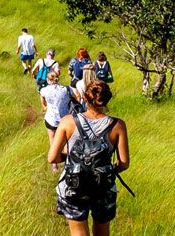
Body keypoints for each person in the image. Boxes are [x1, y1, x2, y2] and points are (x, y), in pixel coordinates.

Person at [47, 81, 130, 236]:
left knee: (78, 232)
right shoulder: (118, 125)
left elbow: (52, 158)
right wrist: (107, 170)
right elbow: (124, 163)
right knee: (102, 232)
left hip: (73, 187)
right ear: (107, 99)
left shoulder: (67, 122)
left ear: (85, 97)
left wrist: (68, 157)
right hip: (103, 187)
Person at [39, 70, 77, 171]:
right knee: (67, 142)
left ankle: (54, 165)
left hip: (51, 119)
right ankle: (68, 164)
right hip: (65, 119)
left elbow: (43, 102)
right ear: (57, 78)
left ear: (48, 80)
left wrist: (46, 107)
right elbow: (77, 97)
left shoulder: (44, 90)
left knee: (52, 141)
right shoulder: (66, 89)